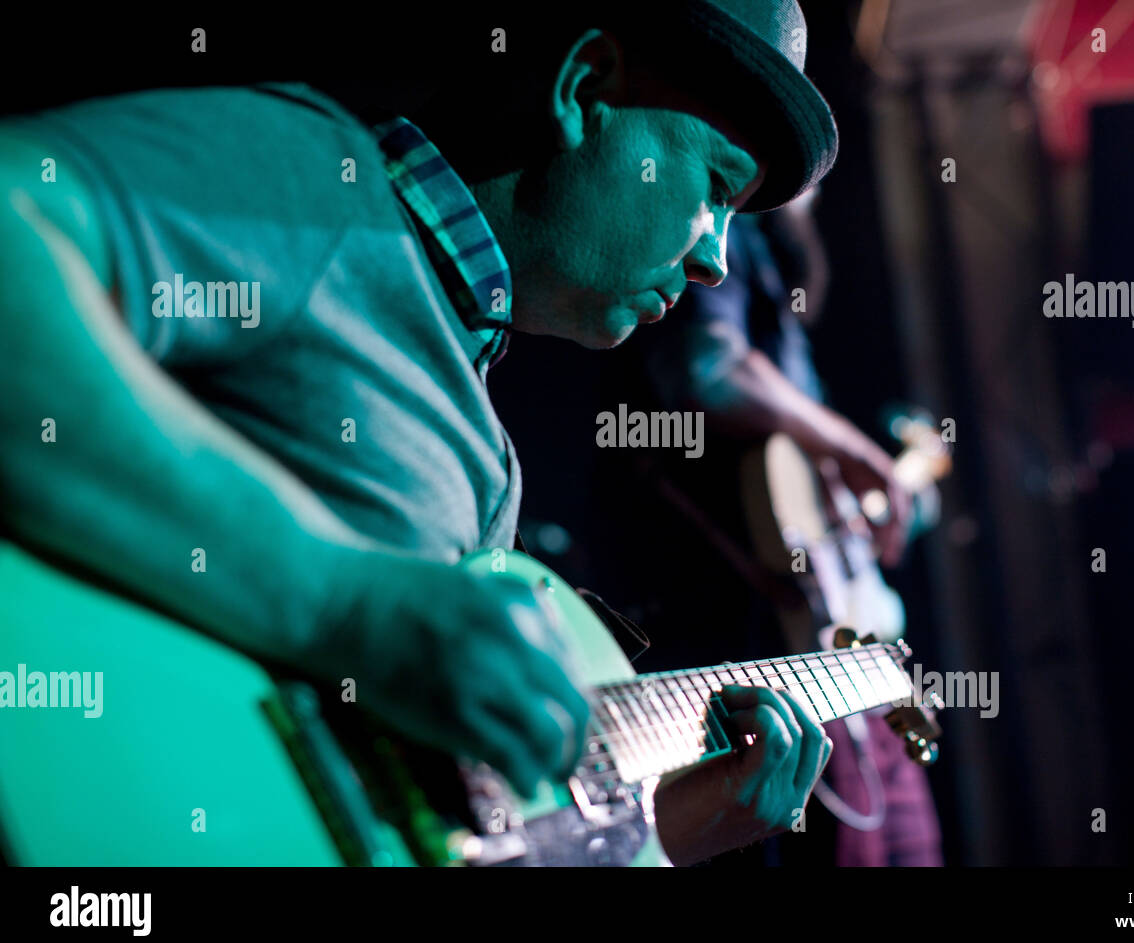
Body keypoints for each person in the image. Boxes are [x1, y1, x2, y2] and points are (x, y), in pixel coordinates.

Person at [0, 3, 844, 865]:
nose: (716, 260)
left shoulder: (473, 418)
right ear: (583, 90)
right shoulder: (320, 188)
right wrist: (344, 600)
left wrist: (680, 825)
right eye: (715, 190)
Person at [592, 193, 943, 865]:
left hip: (842, 672)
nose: (813, 182)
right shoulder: (724, 237)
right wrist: (854, 448)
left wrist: (873, 498)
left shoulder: (780, 272)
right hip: (764, 672)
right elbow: (708, 370)